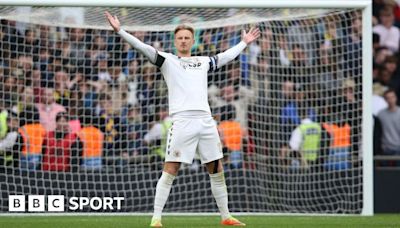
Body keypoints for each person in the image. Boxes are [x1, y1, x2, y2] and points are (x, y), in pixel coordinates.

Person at [105, 11, 260, 227]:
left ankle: (226, 216)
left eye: (187, 37)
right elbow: (142, 47)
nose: (184, 40)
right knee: (171, 169)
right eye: (180, 38)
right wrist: (120, 31)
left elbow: (224, 57)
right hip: (182, 122)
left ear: (193, 41)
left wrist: (243, 43)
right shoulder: (168, 61)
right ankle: (156, 218)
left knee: (216, 169)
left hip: (206, 122)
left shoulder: (203, 61)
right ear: (175, 41)